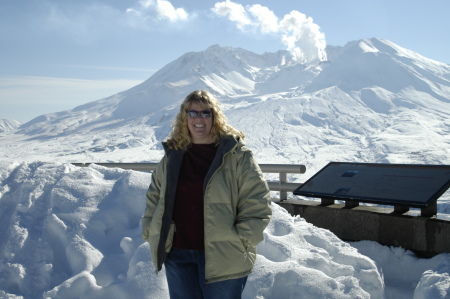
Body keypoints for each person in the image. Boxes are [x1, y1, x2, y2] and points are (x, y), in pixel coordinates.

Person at [142, 90, 272, 299]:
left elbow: (257, 200)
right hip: (178, 253)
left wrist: (241, 239)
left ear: (215, 117)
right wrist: (151, 230)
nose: (198, 119)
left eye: (205, 113)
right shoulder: (173, 156)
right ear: (185, 118)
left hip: (225, 254)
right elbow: (154, 196)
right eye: (192, 113)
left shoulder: (236, 155)